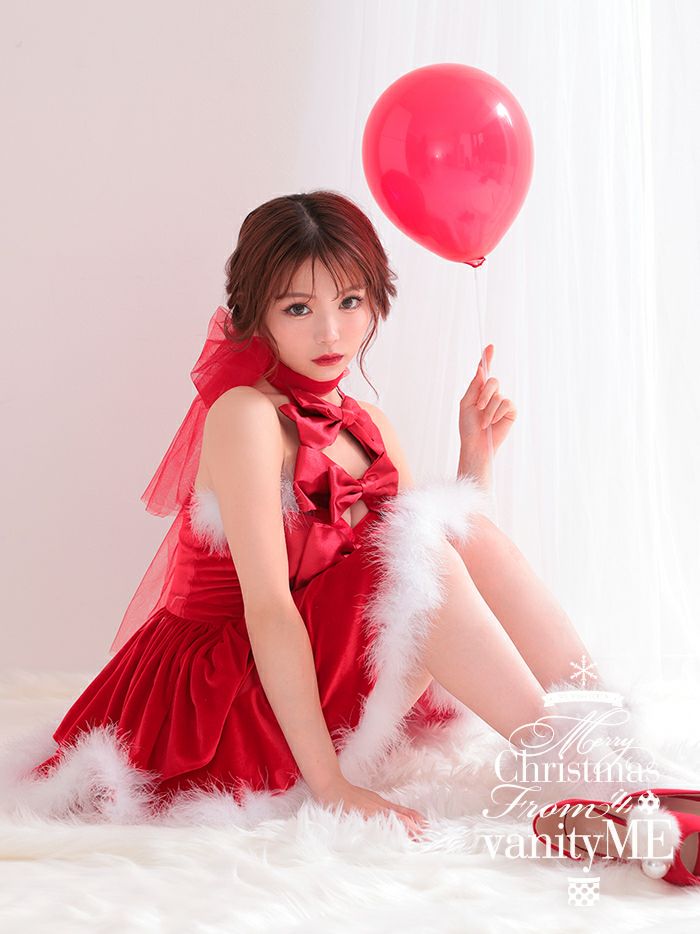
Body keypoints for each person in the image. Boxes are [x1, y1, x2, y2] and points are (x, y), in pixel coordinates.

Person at [21, 190, 598, 837]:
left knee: (449, 531)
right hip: (233, 695)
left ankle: (602, 738)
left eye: (350, 302)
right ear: (257, 316)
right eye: (299, 308)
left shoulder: (367, 422)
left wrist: (475, 457)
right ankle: (577, 770)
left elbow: (446, 580)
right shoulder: (244, 417)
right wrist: (333, 787)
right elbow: (270, 609)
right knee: (412, 553)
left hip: (315, 675)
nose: (331, 333)